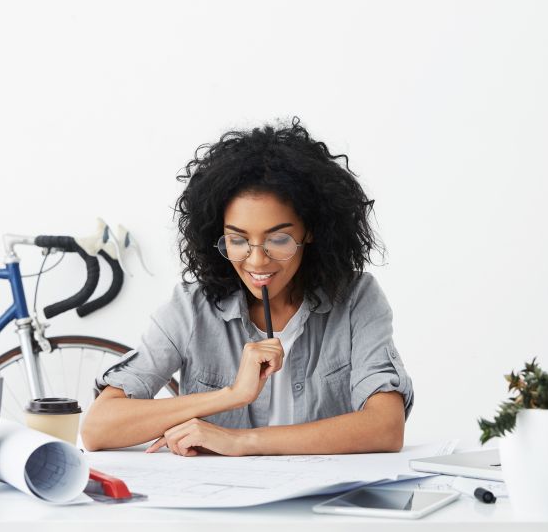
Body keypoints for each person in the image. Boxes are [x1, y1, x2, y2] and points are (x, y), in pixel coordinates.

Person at [81, 118, 414, 455]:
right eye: (238, 240)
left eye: (278, 239)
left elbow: (386, 427)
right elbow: (98, 428)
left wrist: (240, 441)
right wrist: (231, 395)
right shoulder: (191, 308)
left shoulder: (356, 298)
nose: (256, 262)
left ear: (310, 231)